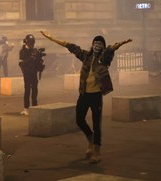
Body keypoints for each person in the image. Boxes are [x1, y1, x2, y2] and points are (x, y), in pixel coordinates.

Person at [40, 30, 132, 164]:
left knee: (96, 124)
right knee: (79, 119)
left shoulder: (104, 57)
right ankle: (90, 139)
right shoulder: (85, 56)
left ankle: (97, 152)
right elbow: (70, 46)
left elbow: (111, 48)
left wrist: (122, 43)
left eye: (100, 44)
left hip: (96, 96)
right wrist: (51, 38)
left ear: (102, 46)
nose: (97, 45)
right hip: (84, 94)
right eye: (95, 43)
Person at [19, 34, 44, 116]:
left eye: (32, 43)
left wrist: (40, 60)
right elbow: (22, 63)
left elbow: (37, 63)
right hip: (27, 73)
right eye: (30, 43)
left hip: (34, 73)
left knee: (35, 91)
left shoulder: (34, 50)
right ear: (26, 42)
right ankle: (26, 108)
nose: (31, 45)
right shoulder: (22, 51)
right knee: (27, 90)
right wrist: (31, 57)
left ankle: (34, 107)